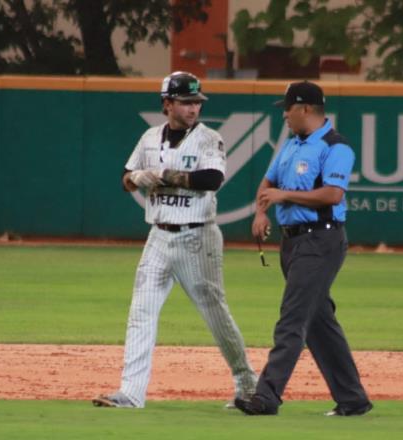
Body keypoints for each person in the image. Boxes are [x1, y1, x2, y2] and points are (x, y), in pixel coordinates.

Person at [92, 71, 257, 409]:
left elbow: (212, 178)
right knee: (141, 311)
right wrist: (137, 177)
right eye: (185, 102)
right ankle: (132, 393)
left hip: (198, 237)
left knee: (215, 314)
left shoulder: (209, 138)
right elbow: (125, 178)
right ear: (167, 104)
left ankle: (248, 384)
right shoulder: (150, 137)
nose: (193, 107)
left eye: (196, 101)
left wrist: (167, 176)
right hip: (158, 236)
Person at [234, 81, 373, 417]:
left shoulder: (335, 146)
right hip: (292, 241)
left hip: (321, 240)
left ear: (306, 109)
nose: (284, 114)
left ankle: (266, 396)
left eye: (288, 107)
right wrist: (261, 211)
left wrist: (284, 196)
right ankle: (353, 399)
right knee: (318, 322)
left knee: (293, 318)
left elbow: (332, 195)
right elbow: (268, 183)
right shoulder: (292, 145)